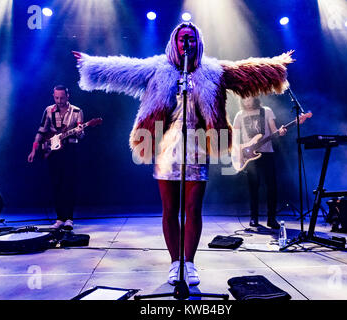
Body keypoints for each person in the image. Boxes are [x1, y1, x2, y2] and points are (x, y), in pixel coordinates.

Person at [73, 22, 294, 286]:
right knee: (169, 209)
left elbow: (245, 72)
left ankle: (189, 263)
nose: (185, 42)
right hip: (167, 145)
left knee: (193, 208)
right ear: (174, 43)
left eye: (190, 38)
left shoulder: (212, 71)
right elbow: (123, 69)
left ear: (197, 42)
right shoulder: (157, 68)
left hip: (198, 145)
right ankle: (174, 262)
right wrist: (91, 64)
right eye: (181, 38)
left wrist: (277, 66)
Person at [28, 85, 84, 231]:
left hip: (70, 150)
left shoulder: (77, 111)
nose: (59, 101)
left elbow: (81, 134)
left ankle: (69, 219)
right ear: (53, 96)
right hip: (53, 152)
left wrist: (79, 132)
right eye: (56, 97)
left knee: (69, 185)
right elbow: (41, 131)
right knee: (56, 185)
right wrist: (34, 149)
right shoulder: (48, 111)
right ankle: (59, 218)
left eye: (62, 98)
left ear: (68, 96)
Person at [233, 96, 287, 229]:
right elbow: (234, 137)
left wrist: (280, 132)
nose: (246, 101)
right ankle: (254, 218)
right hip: (249, 156)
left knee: (271, 187)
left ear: (254, 98)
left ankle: (271, 218)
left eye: (249, 99)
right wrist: (239, 151)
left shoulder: (266, 111)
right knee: (253, 188)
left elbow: (274, 131)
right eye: (244, 99)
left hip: (267, 153)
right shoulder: (240, 115)